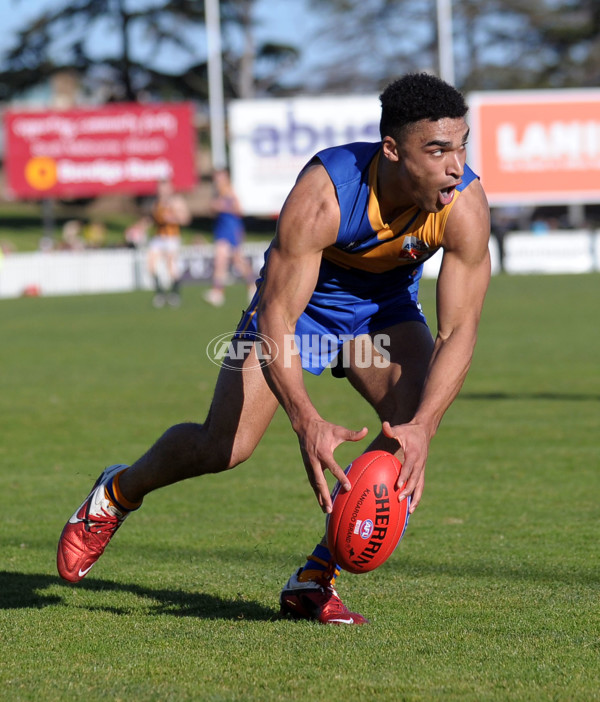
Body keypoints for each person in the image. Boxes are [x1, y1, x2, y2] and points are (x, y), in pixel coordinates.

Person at [57, 73, 491, 625]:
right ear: (392, 149)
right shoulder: (326, 194)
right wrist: (305, 417)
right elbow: (277, 316)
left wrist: (426, 426)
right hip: (300, 310)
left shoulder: (465, 206)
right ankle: (116, 492)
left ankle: (314, 579)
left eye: (461, 146)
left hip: (382, 314)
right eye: (436, 150)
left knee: (409, 425)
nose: (456, 165)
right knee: (225, 446)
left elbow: (460, 332)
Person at [203, 169, 256, 307]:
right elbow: (212, 210)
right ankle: (218, 292)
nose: (217, 181)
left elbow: (239, 210)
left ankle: (252, 286)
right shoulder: (217, 193)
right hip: (221, 230)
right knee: (220, 260)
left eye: (219, 178)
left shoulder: (230, 192)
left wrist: (223, 207)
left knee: (238, 261)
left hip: (231, 229)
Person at [147, 179, 191, 307]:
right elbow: (153, 219)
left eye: (165, 188)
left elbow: (185, 219)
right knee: (151, 264)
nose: (162, 191)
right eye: (160, 188)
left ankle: (175, 294)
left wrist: (172, 217)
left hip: (172, 237)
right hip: (158, 237)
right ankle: (160, 293)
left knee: (171, 266)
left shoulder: (176, 201)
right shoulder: (156, 203)